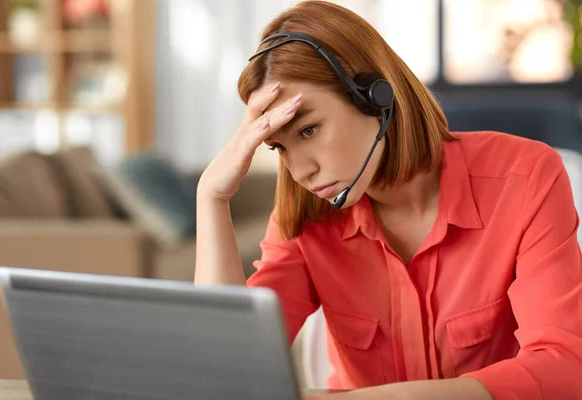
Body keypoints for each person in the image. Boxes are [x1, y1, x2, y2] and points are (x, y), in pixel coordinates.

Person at [194, 1, 582, 399]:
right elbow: (223, 375)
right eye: (279, 147)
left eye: (308, 130)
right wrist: (212, 197)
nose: (299, 171)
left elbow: (564, 369)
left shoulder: (525, 177)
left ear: (376, 98)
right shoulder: (305, 217)